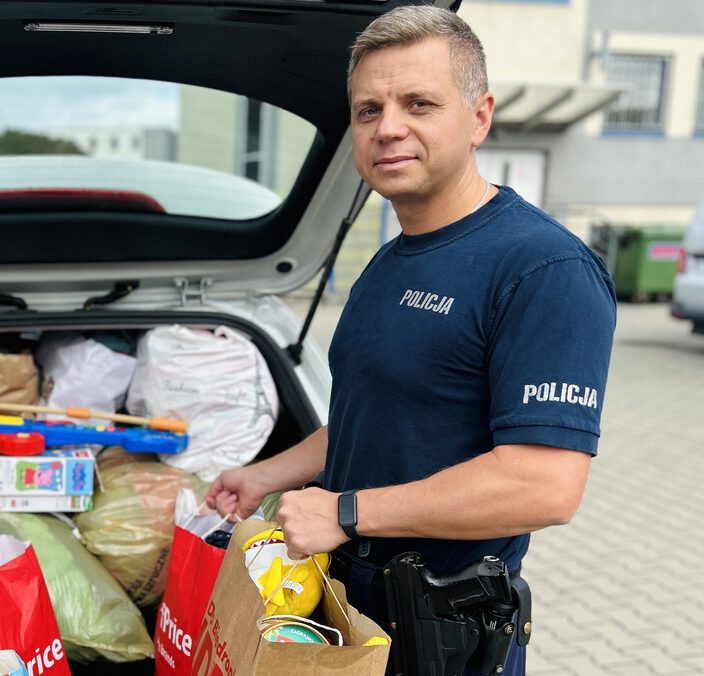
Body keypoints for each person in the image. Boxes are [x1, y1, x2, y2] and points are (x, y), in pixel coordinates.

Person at [207, 6, 615, 674]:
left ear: (479, 116)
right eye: (369, 110)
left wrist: (347, 510)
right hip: (349, 609)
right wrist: (265, 475)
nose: (388, 127)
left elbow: (545, 485)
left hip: (443, 633)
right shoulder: (392, 258)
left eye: (419, 103)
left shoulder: (544, 269)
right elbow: (377, 417)